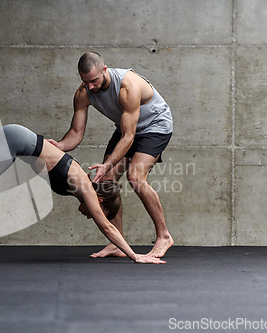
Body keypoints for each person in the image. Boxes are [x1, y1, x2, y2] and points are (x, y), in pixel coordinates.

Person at [0, 124, 165, 264]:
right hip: (14, 140)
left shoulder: (84, 185)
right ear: (98, 200)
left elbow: (105, 219)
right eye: (96, 211)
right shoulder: (85, 188)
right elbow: (107, 227)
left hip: (20, 142)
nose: (91, 216)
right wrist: (135, 256)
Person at [47, 52, 174, 259]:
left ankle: (164, 236)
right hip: (126, 129)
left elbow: (129, 136)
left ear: (104, 69)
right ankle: (117, 243)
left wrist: (108, 163)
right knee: (107, 181)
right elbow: (76, 133)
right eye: (85, 81)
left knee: (136, 178)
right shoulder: (84, 93)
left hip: (155, 126)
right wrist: (59, 146)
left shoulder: (128, 86)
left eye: (94, 80)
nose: (90, 87)